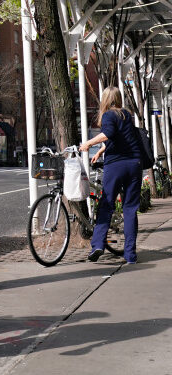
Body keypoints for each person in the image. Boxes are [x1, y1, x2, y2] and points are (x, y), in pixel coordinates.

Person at [80, 86, 141, 264]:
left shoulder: (108, 115)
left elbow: (108, 134)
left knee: (106, 205)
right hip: (134, 164)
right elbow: (121, 137)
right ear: (119, 98)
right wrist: (101, 151)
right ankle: (130, 255)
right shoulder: (126, 115)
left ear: (105, 100)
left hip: (116, 165)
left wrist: (88, 144)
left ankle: (98, 244)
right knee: (130, 209)